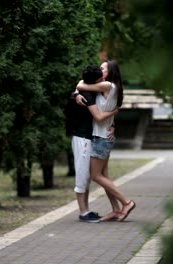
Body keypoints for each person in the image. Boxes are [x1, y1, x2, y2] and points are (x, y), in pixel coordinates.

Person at [75, 59, 136, 222]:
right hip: (103, 137)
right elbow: (81, 86)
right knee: (104, 175)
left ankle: (126, 202)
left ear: (111, 72)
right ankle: (116, 209)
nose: (100, 71)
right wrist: (76, 94)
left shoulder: (108, 86)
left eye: (103, 69)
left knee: (95, 176)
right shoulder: (107, 88)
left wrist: (78, 91)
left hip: (101, 138)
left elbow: (81, 84)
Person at [65, 65, 118, 222]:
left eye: (104, 71)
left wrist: (112, 125)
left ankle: (86, 210)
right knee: (82, 174)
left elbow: (81, 84)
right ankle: (83, 212)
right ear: (95, 80)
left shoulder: (93, 90)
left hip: (90, 137)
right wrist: (116, 110)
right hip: (82, 137)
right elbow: (99, 117)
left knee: (87, 175)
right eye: (100, 75)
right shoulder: (88, 94)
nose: (103, 76)